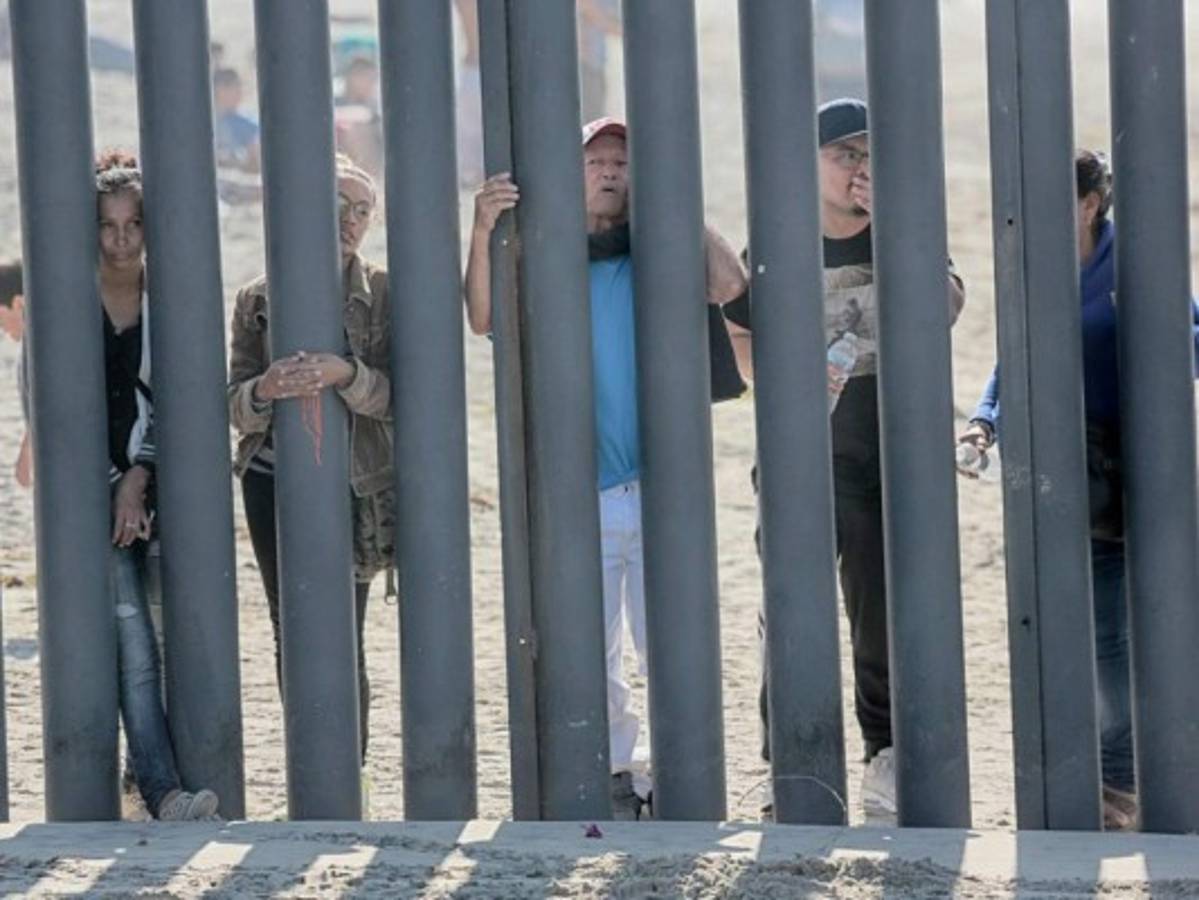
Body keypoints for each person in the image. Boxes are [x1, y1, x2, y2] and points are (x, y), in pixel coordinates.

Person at [464, 117, 748, 819]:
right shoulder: (545, 259)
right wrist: (482, 227)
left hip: (659, 488)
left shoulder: (660, 252)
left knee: (669, 642)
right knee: (594, 648)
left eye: (622, 162)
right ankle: (618, 773)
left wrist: (674, 202)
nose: (611, 172)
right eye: (596, 162)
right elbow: (482, 317)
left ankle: (676, 776)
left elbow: (729, 284)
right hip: (576, 491)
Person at [721, 98, 966, 822]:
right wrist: (785, 378)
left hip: (883, 456)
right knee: (789, 611)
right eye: (843, 154)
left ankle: (883, 756)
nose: (858, 167)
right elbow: (738, 335)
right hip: (799, 458)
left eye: (867, 154)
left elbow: (946, 306)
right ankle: (788, 766)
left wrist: (896, 225)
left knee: (879, 612)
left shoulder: (904, 231)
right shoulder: (779, 239)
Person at [958, 149, 1199, 832]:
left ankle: (1119, 782)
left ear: (1090, 204)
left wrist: (1159, 343)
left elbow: (1192, 337)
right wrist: (983, 421)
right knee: (1083, 627)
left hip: (1134, 468)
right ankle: (1107, 773)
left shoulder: (1137, 263)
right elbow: (1011, 358)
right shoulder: (1036, 264)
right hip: (1057, 464)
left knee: (1119, 631)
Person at [18, 151, 220, 821]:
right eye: (108, 225)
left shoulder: (170, 295)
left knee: (176, 633)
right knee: (133, 645)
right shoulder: (64, 299)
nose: (122, 239)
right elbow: (46, 404)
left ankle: (142, 778)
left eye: (134, 223)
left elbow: (184, 392)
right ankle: (163, 793)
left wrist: (138, 477)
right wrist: (111, 484)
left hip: (163, 485)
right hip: (85, 496)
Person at [228, 153, 395, 767]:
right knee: (289, 624)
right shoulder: (256, 297)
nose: (350, 221)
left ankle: (350, 772)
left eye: (362, 211)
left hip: (356, 483)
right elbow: (234, 404)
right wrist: (265, 388)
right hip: (269, 479)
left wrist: (347, 375)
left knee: (345, 629)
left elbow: (402, 398)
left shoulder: (383, 292)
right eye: (338, 206)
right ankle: (309, 768)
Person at [212, 67, 260, 173]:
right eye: (236, 87)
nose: (240, 93)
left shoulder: (247, 124)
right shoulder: (206, 124)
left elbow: (256, 157)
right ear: (219, 90)